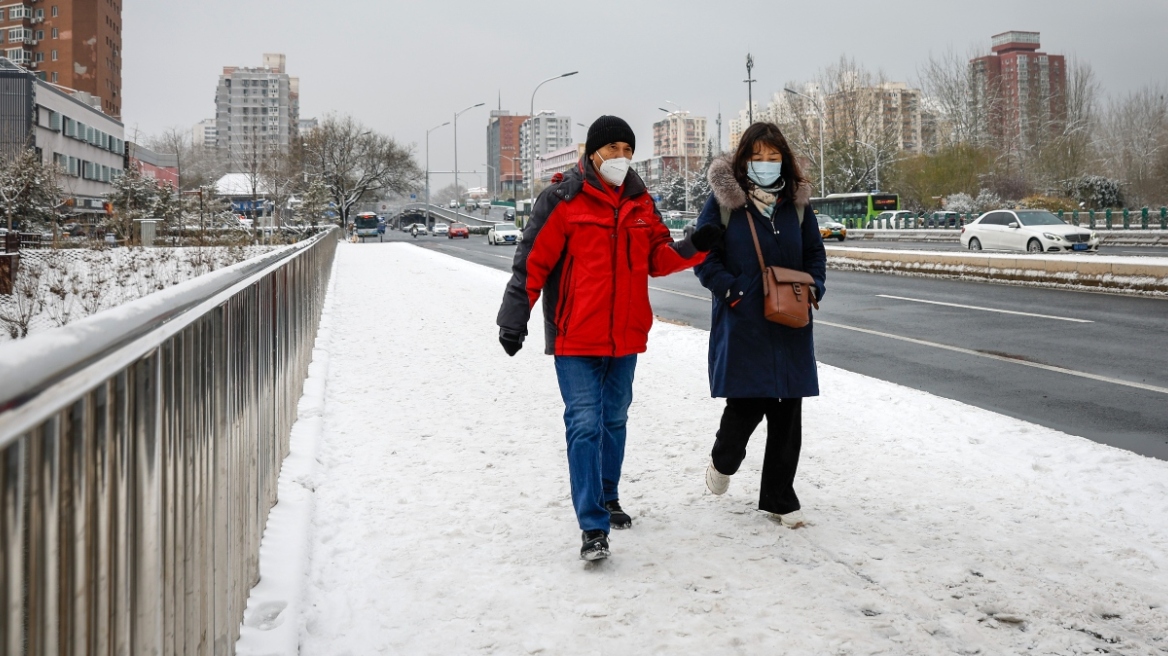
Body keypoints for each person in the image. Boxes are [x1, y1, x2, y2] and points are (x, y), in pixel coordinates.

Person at [497, 115, 722, 561]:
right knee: (584, 424)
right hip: (575, 336)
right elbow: (531, 262)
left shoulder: (641, 202)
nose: (620, 157)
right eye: (613, 148)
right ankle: (592, 526)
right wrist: (514, 318)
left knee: (614, 420)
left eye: (627, 150)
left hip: (625, 336)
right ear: (593, 152)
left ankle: (608, 495)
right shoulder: (563, 198)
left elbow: (658, 257)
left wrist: (697, 244)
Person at [693, 122, 826, 529]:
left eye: (773, 157)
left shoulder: (797, 206)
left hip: (790, 319)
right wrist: (731, 291)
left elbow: (814, 255)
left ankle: (779, 499)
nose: (766, 164)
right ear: (743, 160)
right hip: (745, 319)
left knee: (788, 411)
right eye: (757, 157)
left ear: (783, 159)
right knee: (746, 405)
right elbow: (704, 258)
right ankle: (723, 458)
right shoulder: (723, 204)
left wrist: (814, 287)